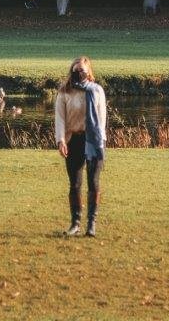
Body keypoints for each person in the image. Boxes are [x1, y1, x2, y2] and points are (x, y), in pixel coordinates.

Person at [54, 56, 107, 237]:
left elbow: (101, 119)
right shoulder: (65, 92)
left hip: (92, 140)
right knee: (75, 183)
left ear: (88, 72)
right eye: (75, 71)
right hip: (74, 140)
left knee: (93, 182)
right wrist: (61, 140)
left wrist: (101, 143)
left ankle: (91, 224)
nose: (78, 74)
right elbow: (60, 118)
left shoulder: (97, 91)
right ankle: (75, 224)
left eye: (82, 71)